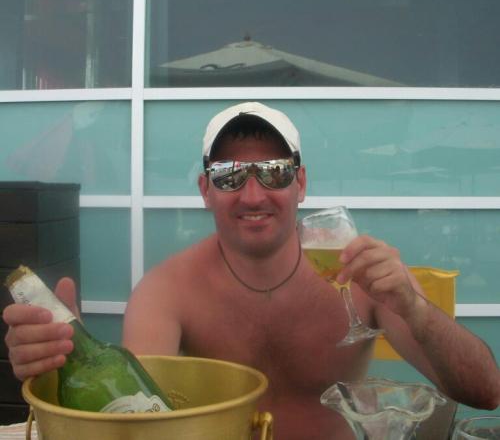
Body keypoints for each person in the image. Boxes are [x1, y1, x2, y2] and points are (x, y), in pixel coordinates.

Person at [4, 102, 500, 439]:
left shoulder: (361, 274)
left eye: (275, 172)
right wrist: (63, 366)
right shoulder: (168, 290)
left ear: (300, 184)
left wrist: (414, 309)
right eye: (229, 176)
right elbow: (136, 422)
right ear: (205, 191)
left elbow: (485, 391)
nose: (253, 194)